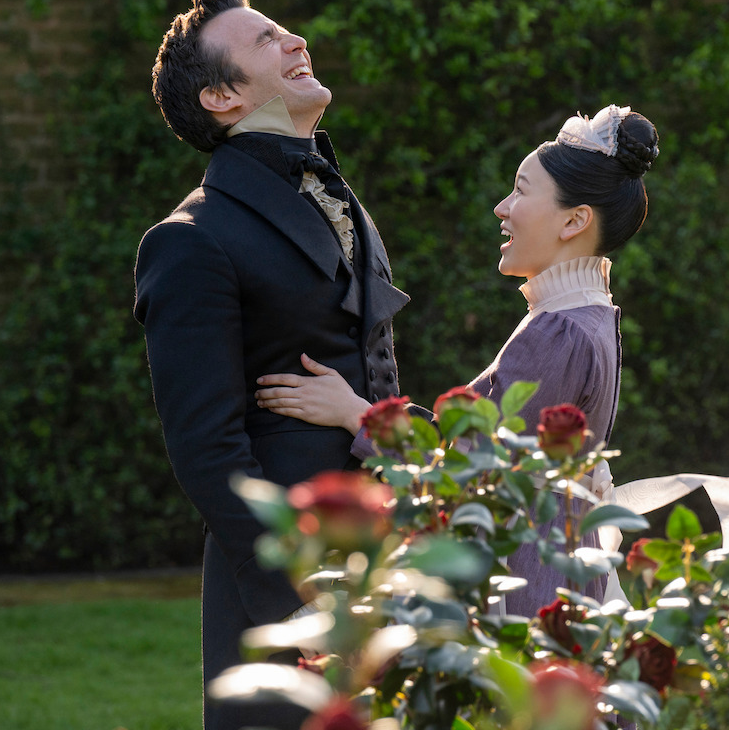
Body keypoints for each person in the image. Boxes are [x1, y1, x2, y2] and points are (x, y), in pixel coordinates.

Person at [133, 0, 411, 730]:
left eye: (286, 30)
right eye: (265, 41)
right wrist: (299, 604)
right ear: (222, 96)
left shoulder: (339, 196)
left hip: (386, 568)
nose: (295, 42)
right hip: (283, 590)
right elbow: (207, 450)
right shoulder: (189, 239)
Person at [255, 104, 658, 615]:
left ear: (574, 220)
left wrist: (351, 412)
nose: (502, 207)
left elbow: (465, 478)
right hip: (554, 579)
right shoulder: (591, 317)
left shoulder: (558, 331)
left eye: (522, 190)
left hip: (521, 594)